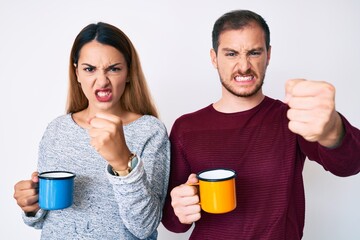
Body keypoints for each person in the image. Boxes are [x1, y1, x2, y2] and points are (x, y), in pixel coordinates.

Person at [161, 9, 360, 240]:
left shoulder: (293, 117)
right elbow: (174, 224)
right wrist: (180, 208)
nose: (244, 66)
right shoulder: (186, 127)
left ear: (268, 54)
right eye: (232, 54)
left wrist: (333, 129)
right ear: (214, 58)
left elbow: (351, 164)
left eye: (254, 52)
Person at [13, 22, 170, 240]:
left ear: (128, 73)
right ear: (76, 73)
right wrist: (31, 205)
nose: (102, 81)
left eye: (114, 69)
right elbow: (43, 218)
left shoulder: (150, 131)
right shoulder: (57, 129)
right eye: (89, 69)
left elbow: (144, 227)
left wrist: (123, 162)